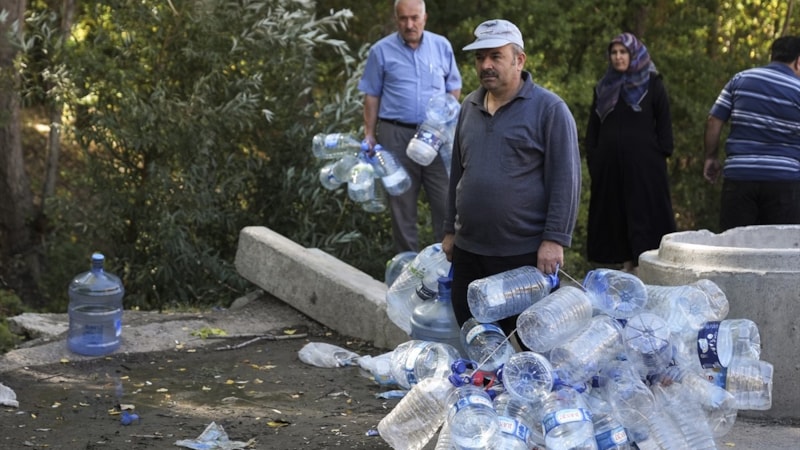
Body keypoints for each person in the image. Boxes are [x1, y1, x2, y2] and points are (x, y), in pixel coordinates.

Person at [442, 19, 581, 340]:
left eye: (495, 56)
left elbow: (566, 179)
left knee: (527, 342)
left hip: (522, 256)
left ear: (519, 60)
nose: (485, 65)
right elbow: (457, 173)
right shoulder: (469, 106)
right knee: (476, 338)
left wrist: (555, 239)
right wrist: (450, 230)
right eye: (480, 58)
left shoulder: (550, 110)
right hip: (469, 251)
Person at [358, 0, 462, 253]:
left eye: (414, 18)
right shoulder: (381, 51)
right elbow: (371, 95)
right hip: (396, 134)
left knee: (446, 201)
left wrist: (443, 119)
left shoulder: (442, 46)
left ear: (425, 18)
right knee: (402, 205)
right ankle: (407, 269)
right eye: (403, 19)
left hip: (435, 135)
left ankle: (443, 271)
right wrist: (369, 134)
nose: (409, 24)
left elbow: (454, 87)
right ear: (396, 20)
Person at [584, 32, 676, 275]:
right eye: (614, 52)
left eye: (623, 52)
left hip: (645, 167)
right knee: (616, 214)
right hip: (609, 167)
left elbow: (664, 123)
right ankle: (624, 268)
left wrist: (660, 153)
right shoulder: (603, 87)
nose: (618, 57)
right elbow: (593, 128)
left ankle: (645, 268)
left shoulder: (652, 83)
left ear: (634, 54)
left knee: (645, 214)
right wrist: (594, 158)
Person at [703, 36, 800, 231]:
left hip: (740, 177)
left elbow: (714, 120)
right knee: (779, 252)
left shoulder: (740, 79)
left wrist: (711, 157)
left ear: (772, 56)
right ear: (798, 61)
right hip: (784, 181)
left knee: (734, 248)